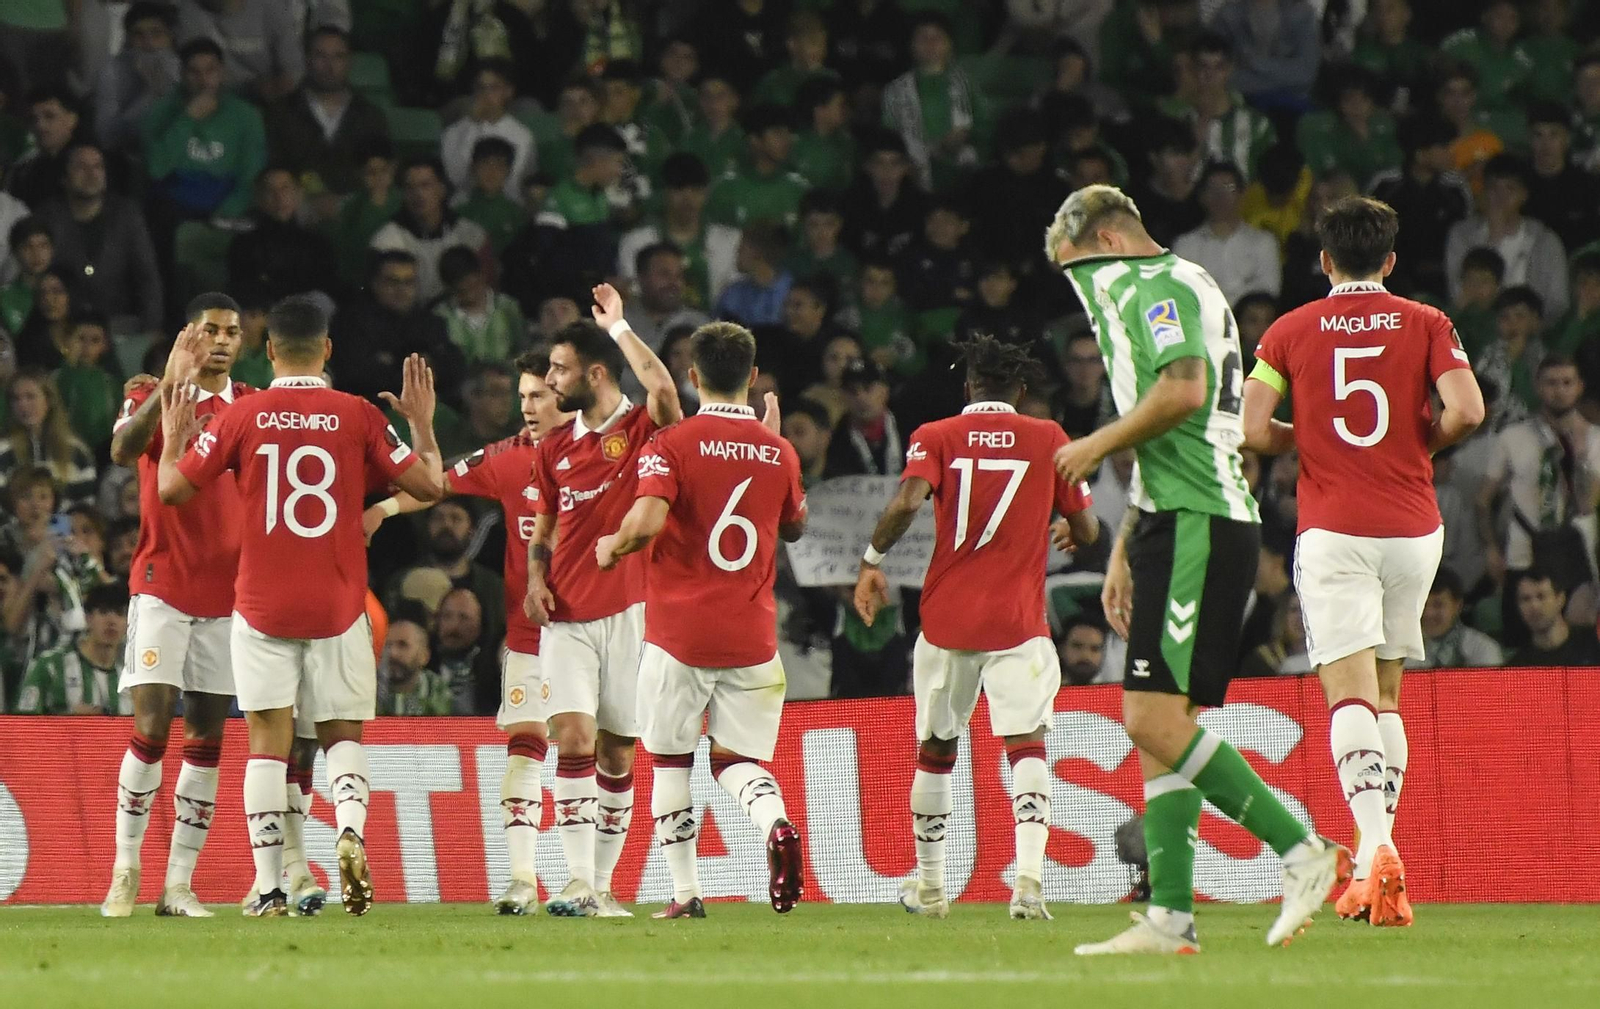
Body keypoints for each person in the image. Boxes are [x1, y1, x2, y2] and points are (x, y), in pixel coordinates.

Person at [1047, 184, 1346, 954]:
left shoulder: (1158, 287)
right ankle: (1171, 914)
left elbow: (1181, 392)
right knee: (1160, 725)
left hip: (1199, 520)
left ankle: (1301, 850)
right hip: (1174, 517)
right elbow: (1185, 416)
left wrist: (1094, 444)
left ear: (1109, 244)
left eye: (1079, 273)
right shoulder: (1182, 282)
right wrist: (1122, 546)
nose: (1081, 295)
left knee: (1150, 719)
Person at [156, 295, 445, 917]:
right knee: (341, 735)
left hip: (262, 602)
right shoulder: (357, 415)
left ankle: (270, 886)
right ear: (328, 349)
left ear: (267, 352)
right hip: (340, 602)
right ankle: (348, 830)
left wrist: (177, 439)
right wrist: (421, 424)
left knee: (267, 740)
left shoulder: (245, 414)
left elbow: (172, 490)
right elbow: (431, 486)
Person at [1242, 195, 1485, 924]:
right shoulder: (1426, 321)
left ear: (1323, 261)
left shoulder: (1289, 330)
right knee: (1386, 692)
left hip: (1335, 527)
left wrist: (1310, 438)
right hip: (1414, 529)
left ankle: (1377, 849)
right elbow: (1468, 410)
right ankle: (1373, 856)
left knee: (1347, 692)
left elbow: (1255, 428)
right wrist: (1419, 443)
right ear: (1389, 261)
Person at [853, 334, 1097, 920]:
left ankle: (932, 888)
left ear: (968, 388)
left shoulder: (934, 436)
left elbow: (910, 502)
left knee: (937, 748)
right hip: (1019, 623)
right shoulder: (1050, 438)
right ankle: (1030, 882)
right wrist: (1073, 531)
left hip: (947, 621)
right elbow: (1087, 528)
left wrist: (871, 561)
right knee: (1027, 746)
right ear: (1020, 389)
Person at [593, 320, 804, 919]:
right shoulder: (779, 450)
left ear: (692, 376)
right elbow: (794, 525)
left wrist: (611, 546)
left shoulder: (673, 445)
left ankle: (686, 893)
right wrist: (773, 447)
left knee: (670, 759)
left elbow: (646, 523)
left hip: (679, 635)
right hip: (753, 636)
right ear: (753, 376)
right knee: (737, 762)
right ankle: (777, 823)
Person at [365, 348, 570, 913]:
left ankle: (589, 882)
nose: (528, 406)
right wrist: (382, 510)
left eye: (539, 395)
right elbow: (435, 484)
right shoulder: (508, 458)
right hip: (532, 633)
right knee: (525, 748)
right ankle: (524, 881)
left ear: (568, 396)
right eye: (523, 396)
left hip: (603, 629)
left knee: (602, 754)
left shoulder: (607, 454)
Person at [522, 284, 682, 917]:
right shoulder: (554, 447)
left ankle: (605, 886)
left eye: (559, 370)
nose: (551, 381)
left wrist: (619, 327)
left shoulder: (643, 430)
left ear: (593, 373)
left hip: (632, 612)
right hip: (566, 617)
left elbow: (665, 393)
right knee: (574, 739)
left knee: (619, 750)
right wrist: (537, 578)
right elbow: (545, 523)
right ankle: (578, 882)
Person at [99, 294, 254, 918]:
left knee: (208, 740)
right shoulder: (151, 394)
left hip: (230, 594)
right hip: (162, 583)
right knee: (151, 730)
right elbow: (119, 453)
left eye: (233, 332)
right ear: (190, 334)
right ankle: (124, 869)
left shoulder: (249, 406)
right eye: (212, 330)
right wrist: (169, 384)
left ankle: (179, 886)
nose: (222, 340)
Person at [1476, 356, 1600, 648]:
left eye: (1567, 383)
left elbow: (1588, 507)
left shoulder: (1595, 439)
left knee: (1578, 646)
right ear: (1538, 387)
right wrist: (1491, 549)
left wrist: (1580, 454)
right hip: (1523, 553)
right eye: (1551, 383)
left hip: (1575, 554)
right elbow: (1483, 500)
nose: (1559, 390)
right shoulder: (1512, 436)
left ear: (1580, 387)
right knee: (1522, 645)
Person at [37, 141, 165, 333]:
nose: (91, 173)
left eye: (98, 166)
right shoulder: (46, 218)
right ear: (64, 177)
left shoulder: (126, 215)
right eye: (81, 167)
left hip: (118, 324)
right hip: (64, 326)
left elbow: (147, 279)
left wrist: (151, 331)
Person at [263, 25, 389, 199]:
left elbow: (380, 176)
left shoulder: (371, 117)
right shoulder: (280, 113)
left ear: (349, 61)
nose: (329, 66)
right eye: (320, 56)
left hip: (355, 211)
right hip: (294, 208)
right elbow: (273, 171)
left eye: (338, 56)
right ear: (307, 60)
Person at [370, 157, 492, 303]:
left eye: (425, 185)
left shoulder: (472, 236)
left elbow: (489, 291)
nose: (418, 194)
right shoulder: (385, 242)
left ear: (442, 189)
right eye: (410, 188)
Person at [226, 167, 339, 303]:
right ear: (260, 198)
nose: (279, 197)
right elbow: (241, 288)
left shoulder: (317, 243)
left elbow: (326, 287)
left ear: (298, 193)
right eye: (270, 191)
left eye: (285, 189)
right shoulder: (244, 244)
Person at [1173, 161, 1281, 303]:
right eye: (1213, 189)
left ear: (1242, 193)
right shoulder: (1185, 245)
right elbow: (1181, 291)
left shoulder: (1263, 242)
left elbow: (1269, 289)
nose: (1220, 196)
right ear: (1202, 196)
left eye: (1229, 188)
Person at [13, 583, 129, 714]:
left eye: (120, 613)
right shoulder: (50, 665)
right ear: (88, 618)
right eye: (103, 612)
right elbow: (23, 722)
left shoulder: (132, 673)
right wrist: (68, 721)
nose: (111, 621)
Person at [440, 59, 535, 202]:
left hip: (508, 207)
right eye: (481, 87)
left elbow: (515, 182)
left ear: (508, 91)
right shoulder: (454, 132)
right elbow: (456, 178)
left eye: (494, 88)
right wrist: (472, 127)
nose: (486, 94)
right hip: (465, 205)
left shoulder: (522, 136)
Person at [0, 368, 97, 506]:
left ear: (49, 400)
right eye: (16, 399)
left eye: (30, 396)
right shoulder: (3, 451)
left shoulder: (76, 450)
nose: (23, 405)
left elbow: (86, 505)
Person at [1413, 568, 1503, 669]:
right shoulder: (1402, 652)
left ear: (1458, 605)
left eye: (1438, 605)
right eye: (1422, 605)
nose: (1428, 613)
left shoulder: (1483, 648)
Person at [1507, 569, 1600, 666]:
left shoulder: (1594, 643)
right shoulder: (1517, 669)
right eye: (1526, 599)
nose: (1534, 606)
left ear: (1560, 599)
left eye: (1541, 596)